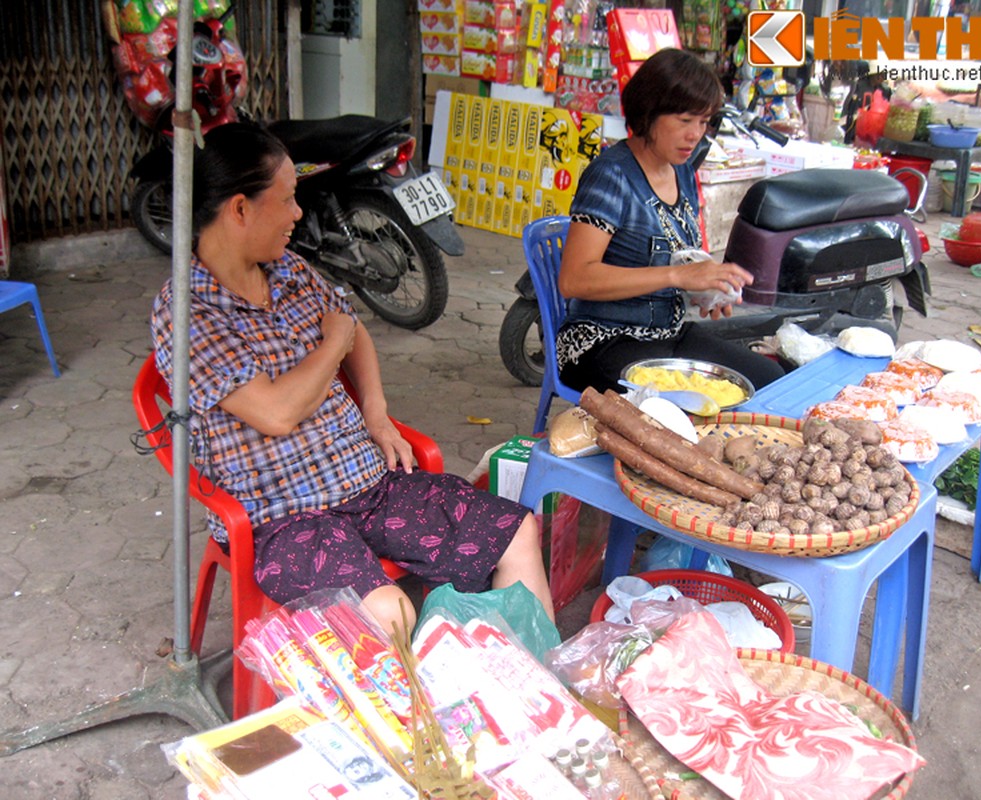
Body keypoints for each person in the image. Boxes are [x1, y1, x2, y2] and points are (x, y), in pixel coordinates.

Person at [150, 123, 554, 636]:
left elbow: (353, 329)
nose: (298, 214)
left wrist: (376, 412)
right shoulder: (186, 312)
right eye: (289, 200)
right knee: (393, 614)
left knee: (515, 530)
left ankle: (533, 686)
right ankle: (423, 709)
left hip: (369, 484)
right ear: (240, 209)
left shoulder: (291, 270)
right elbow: (276, 412)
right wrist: (332, 342)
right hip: (280, 518)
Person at [555, 48, 785, 394]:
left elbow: (683, 255)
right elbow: (574, 279)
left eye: (704, 121)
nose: (696, 134)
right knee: (691, 407)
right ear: (650, 112)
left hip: (669, 336)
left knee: (770, 383)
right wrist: (679, 276)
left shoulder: (682, 172)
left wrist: (708, 289)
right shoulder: (611, 175)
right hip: (600, 343)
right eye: (684, 120)